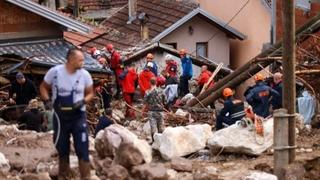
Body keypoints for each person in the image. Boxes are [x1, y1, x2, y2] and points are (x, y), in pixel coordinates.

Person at [39, 48, 94, 179]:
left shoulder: (85, 75)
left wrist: (82, 101)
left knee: (82, 149)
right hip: (60, 117)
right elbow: (43, 87)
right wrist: (47, 101)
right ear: (71, 60)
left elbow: (91, 93)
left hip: (78, 116)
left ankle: (86, 177)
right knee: (62, 149)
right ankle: (63, 176)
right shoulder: (55, 72)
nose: (83, 63)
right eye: (80, 60)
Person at [144, 77, 166, 142]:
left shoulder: (147, 92)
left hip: (151, 112)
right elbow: (165, 101)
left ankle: (154, 142)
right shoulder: (162, 91)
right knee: (161, 129)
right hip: (160, 112)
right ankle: (161, 142)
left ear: (150, 83)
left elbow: (145, 102)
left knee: (153, 129)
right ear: (156, 82)